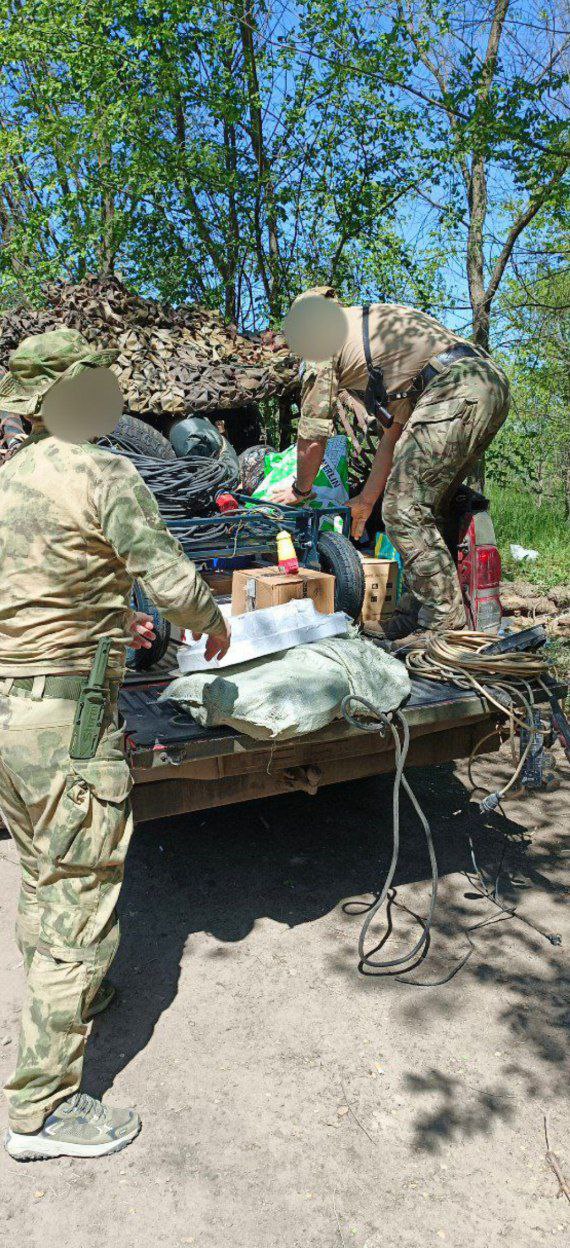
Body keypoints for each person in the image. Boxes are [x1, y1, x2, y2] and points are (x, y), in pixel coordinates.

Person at [0, 329, 230, 1161]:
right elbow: (170, 580)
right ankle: (42, 1111)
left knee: (44, 872)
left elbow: (44, 587)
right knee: (82, 899)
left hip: (11, 716)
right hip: (69, 720)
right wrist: (215, 621)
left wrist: (106, 617)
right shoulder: (103, 470)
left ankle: (74, 1000)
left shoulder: (10, 479)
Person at [274, 288, 510, 638]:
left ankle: (441, 621)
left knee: (404, 508)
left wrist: (300, 489)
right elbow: (392, 438)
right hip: (486, 383)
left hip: (456, 388)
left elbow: (312, 433)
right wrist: (366, 501)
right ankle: (417, 610)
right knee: (429, 507)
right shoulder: (377, 338)